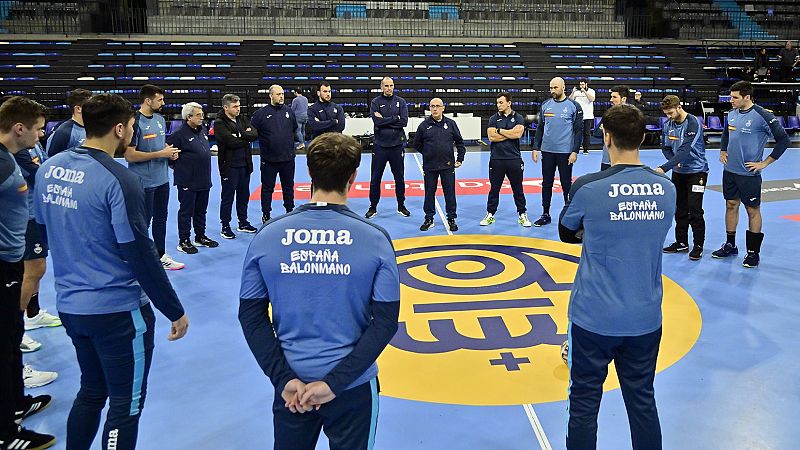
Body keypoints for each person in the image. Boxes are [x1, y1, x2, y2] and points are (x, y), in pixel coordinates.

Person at [34, 93, 189, 450]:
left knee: (90, 392)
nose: (134, 131)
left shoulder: (49, 169)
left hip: (71, 306)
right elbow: (139, 253)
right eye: (132, 126)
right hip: (118, 311)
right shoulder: (120, 179)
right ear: (120, 129)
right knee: (126, 405)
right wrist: (174, 310)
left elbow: (43, 229)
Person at [238, 132, 400, 450]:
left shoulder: (267, 237)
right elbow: (385, 322)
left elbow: (250, 315)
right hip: (352, 388)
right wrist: (334, 384)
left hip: (292, 390)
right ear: (353, 176)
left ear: (309, 173)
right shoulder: (376, 239)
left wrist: (283, 380)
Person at [559, 104, 676, 450]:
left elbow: (568, 231)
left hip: (593, 317)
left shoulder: (588, 186)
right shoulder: (665, 189)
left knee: (583, 402)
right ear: (642, 138)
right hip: (644, 316)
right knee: (642, 401)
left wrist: (594, 230)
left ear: (606, 137)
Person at [0, 95, 56, 450]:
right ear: (19, 128)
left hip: (11, 258)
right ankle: (6, 432)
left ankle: (16, 402)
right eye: (37, 130)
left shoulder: (8, 158)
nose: (40, 136)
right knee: (4, 344)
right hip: (3, 262)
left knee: (12, 337)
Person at [713, 80, 790, 268]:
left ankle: (753, 253)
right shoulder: (731, 113)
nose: (730, 100)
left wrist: (764, 163)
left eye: (734, 97)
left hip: (749, 174)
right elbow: (726, 133)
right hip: (729, 171)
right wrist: (723, 150)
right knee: (731, 205)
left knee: (752, 210)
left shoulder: (763, 115)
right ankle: (730, 244)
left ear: (747, 97)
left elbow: (783, 140)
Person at [124, 84, 184, 270]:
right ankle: (140, 256)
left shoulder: (159, 118)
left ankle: (160, 254)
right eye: (160, 99)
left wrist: (170, 152)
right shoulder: (134, 121)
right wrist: (161, 154)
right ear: (148, 100)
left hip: (162, 179)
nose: (163, 103)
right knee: (144, 221)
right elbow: (129, 155)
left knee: (161, 218)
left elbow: (160, 144)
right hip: (143, 182)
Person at [655, 95, 708, 261]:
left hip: (697, 172)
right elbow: (666, 147)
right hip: (679, 172)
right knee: (680, 209)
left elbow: (685, 150)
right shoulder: (667, 125)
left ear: (679, 107)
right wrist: (673, 162)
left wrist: (664, 167)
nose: (668, 116)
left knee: (695, 209)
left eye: (670, 112)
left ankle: (698, 245)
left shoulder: (693, 123)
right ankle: (681, 242)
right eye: (666, 114)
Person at [166, 102, 219, 254]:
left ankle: (200, 236)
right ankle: (184, 241)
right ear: (188, 117)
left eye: (202, 114)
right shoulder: (178, 136)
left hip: (204, 179)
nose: (202, 117)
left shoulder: (202, 130)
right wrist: (182, 169)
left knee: (201, 211)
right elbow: (169, 157)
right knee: (186, 211)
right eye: (198, 115)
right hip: (187, 180)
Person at [532, 77, 584, 227]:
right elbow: (540, 127)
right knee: (546, 184)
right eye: (551, 88)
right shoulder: (545, 105)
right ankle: (545, 213)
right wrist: (536, 147)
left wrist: (574, 151)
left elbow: (579, 130)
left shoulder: (574, 106)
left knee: (566, 184)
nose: (552, 91)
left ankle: (569, 215)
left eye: (555, 87)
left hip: (565, 153)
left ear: (563, 87)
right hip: (547, 151)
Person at [252, 84, 304, 223]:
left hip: (287, 158)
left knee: (288, 187)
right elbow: (252, 131)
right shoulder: (260, 114)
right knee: (267, 188)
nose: (281, 96)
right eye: (278, 94)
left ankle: (289, 210)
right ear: (270, 95)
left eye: (282, 94)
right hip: (269, 160)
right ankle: (266, 214)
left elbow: (293, 129)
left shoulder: (289, 111)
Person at [413, 97, 465, 232]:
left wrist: (460, 158)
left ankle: (451, 218)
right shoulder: (424, 126)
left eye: (437, 106)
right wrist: (428, 153)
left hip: (448, 165)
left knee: (450, 193)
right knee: (429, 193)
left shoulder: (451, 124)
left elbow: (460, 143)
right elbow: (416, 144)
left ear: (443, 108)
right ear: (429, 108)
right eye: (432, 106)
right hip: (430, 166)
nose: (434, 108)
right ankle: (429, 218)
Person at [480, 91, 531, 227]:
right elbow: (491, 137)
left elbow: (518, 134)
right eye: (497, 103)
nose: (498, 105)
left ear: (509, 103)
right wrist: (509, 133)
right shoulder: (493, 118)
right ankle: (490, 214)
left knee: (518, 189)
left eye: (501, 102)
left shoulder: (519, 117)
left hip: (514, 158)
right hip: (496, 159)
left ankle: (522, 214)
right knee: (494, 189)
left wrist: (500, 131)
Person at [214, 93, 258, 239]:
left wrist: (239, 135)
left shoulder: (243, 119)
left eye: (239, 106)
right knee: (227, 197)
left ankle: (243, 222)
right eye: (235, 106)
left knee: (243, 195)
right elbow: (230, 142)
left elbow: (254, 134)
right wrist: (245, 136)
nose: (238, 109)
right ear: (226, 108)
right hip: (230, 167)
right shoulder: (219, 123)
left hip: (245, 165)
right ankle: (225, 225)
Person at [365, 77, 410, 219]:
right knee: (375, 178)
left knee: (399, 178)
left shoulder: (401, 102)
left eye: (391, 85)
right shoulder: (375, 102)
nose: (389, 88)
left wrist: (385, 120)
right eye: (386, 86)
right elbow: (376, 121)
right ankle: (373, 206)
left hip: (396, 146)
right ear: (381, 87)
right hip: (380, 146)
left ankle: (401, 205)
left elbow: (404, 122)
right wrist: (394, 118)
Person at [46, 88, 92, 157]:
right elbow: (52, 160)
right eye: (91, 106)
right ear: (78, 109)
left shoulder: (93, 127)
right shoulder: (63, 133)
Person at [595, 85, 630, 171]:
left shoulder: (632, 116)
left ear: (623, 99)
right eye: (611, 97)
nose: (611, 100)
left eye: (614, 97)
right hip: (607, 160)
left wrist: (608, 130)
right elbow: (596, 133)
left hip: (624, 161)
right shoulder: (608, 114)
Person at [568, 79, 595, 155]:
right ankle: (576, 147)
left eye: (583, 84)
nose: (581, 86)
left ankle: (586, 148)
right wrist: (573, 92)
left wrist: (585, 92)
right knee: (576, 132)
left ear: (586, 84)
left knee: (587, 133)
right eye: (580, 85)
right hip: (578, 116)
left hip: (588, 115)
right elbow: (570, 100)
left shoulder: (591, 91)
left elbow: (592, 99)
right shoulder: (576, 92)